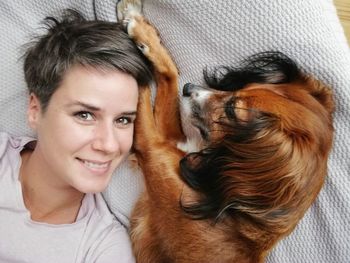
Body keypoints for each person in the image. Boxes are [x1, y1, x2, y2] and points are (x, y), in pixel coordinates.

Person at [0, 9, 152, 262]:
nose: (109, 144)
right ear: (35, 110)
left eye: (123, 120)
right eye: (85, 115)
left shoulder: (103, 249)